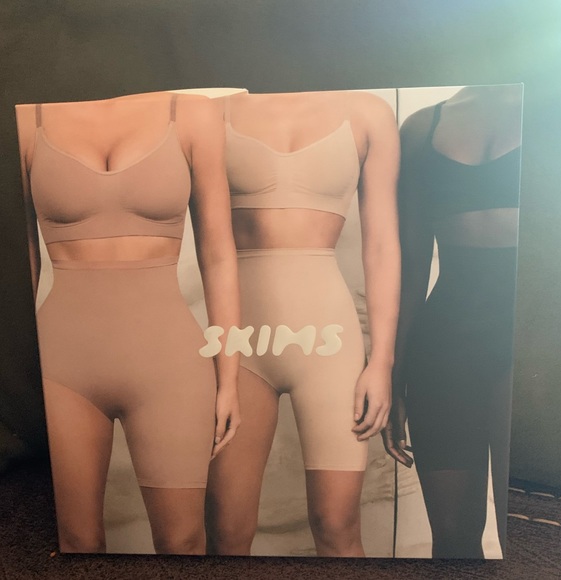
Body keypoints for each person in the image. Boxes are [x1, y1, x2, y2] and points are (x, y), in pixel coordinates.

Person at [15, 92, 241, 554]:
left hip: (171, 364)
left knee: (183, 543)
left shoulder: (193, 114)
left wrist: (231, 376)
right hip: (61, 366)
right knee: (75, 544)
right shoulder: (26, 120)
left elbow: (219, 255)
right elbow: (22, 264)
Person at [205, 90, 400, 557]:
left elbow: (381, 246)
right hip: (239, 340)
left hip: (329, 340)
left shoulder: (369, 112)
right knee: (226, 530)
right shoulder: (213, 113)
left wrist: (382, 362)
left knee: (336, 525)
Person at [383, 85, 522, 558]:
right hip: (444, 342)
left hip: (535, 339)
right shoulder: (422, 127)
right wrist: (393, 375)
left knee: (525, 534)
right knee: (452, 539)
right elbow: (411, 267)